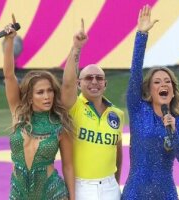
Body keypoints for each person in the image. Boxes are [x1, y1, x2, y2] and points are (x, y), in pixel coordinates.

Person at [121, 5, 179, 200]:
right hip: (135, 193)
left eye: (167, 81)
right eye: (157, 82)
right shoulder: (138, 110)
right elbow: (135, 73)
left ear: (172, 91)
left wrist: (173, 130)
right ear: (149, 91)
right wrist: (141, 35)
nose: (163, 84)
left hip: (165, 194)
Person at [3, 19, 75, 200]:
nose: (47, 96)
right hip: (18, 193)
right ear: (29, 96)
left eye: (50, 91)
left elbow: (68, 166)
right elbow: (9, 76)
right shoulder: (18, 113)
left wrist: (73, 198)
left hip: (52, 193)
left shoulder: (59, 124)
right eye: (41, 92)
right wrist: (10, 41)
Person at [61, 19, 124, 200]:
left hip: (110, 185)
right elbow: (67, 84)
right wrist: (76, 48)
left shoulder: (117, 114)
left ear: (105, 84)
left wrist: (115, 182)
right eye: (88, 78)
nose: (94, 81)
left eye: (99, 78)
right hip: (82, 186)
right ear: (79, 84)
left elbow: (117, 154)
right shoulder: (73, 107)